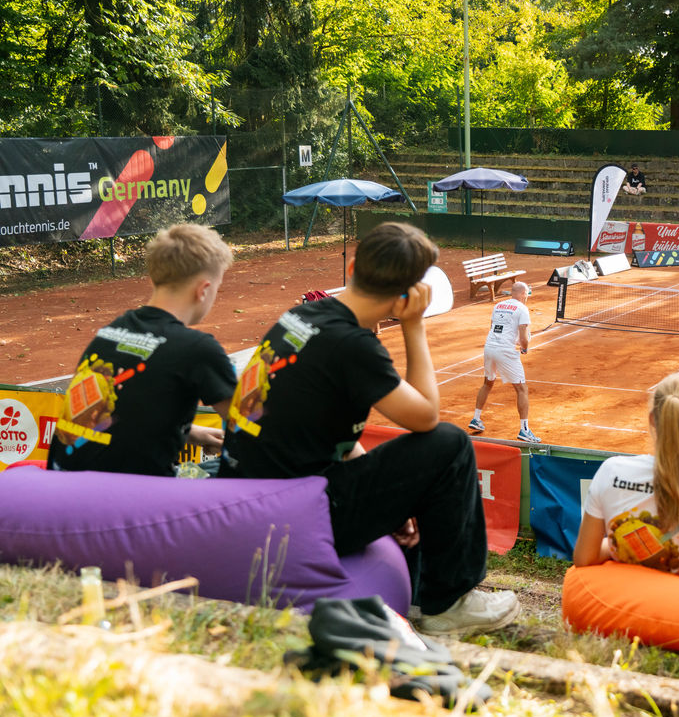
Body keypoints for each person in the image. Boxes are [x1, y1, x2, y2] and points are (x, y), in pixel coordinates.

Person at [221, 222, 519, 635]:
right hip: (294, 514)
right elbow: (427, 418)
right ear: (410, 294)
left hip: (253, 492)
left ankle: (419, 593)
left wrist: (392, 500)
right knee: (448, 445)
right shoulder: (353, 346)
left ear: (355, 265)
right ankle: (449, 604)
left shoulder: (302, 315)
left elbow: (322, 429)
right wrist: (414, 325)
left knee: (409, 466)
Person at [49, 223, 236, 477]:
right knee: (216, 468)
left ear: (154, 278)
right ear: (203, 290)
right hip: (131, 499)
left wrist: (189, 432)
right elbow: (250, 429)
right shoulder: (199, 349)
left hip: (66, 482)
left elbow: (114, 411)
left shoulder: (111, 332)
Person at [573, 372, 679, 579]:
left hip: (624, 592)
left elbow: (583, 558)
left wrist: (621, 546)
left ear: (652, 420)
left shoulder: (610, 470)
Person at [469, 281, 539, 443]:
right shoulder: (522, 309)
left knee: (487, 383)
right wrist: (524, 348)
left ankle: (476, 418)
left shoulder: (498, 306)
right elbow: (523, 336)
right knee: (521, 389)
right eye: (527, 294)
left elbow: (493, 327)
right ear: (522, 294)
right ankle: (524, 430)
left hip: (489, 347)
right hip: (505, 351)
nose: (527, 297)